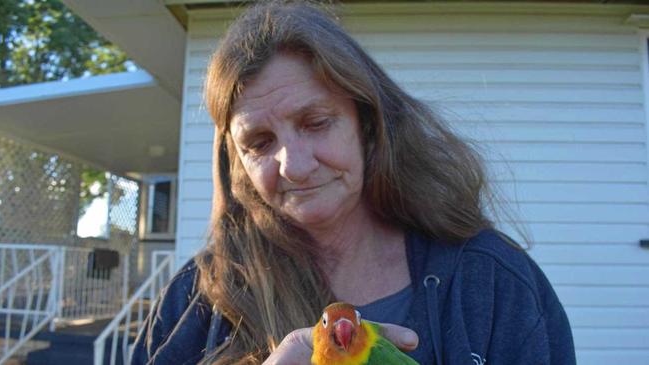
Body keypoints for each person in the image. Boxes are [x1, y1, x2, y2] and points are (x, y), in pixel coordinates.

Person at [131, 1, 576, 364]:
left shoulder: (493, 281)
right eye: (260, 142)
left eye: (316, 122)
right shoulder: (196, 300)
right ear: (237, 160)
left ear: (366, 123)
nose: (295, 166)